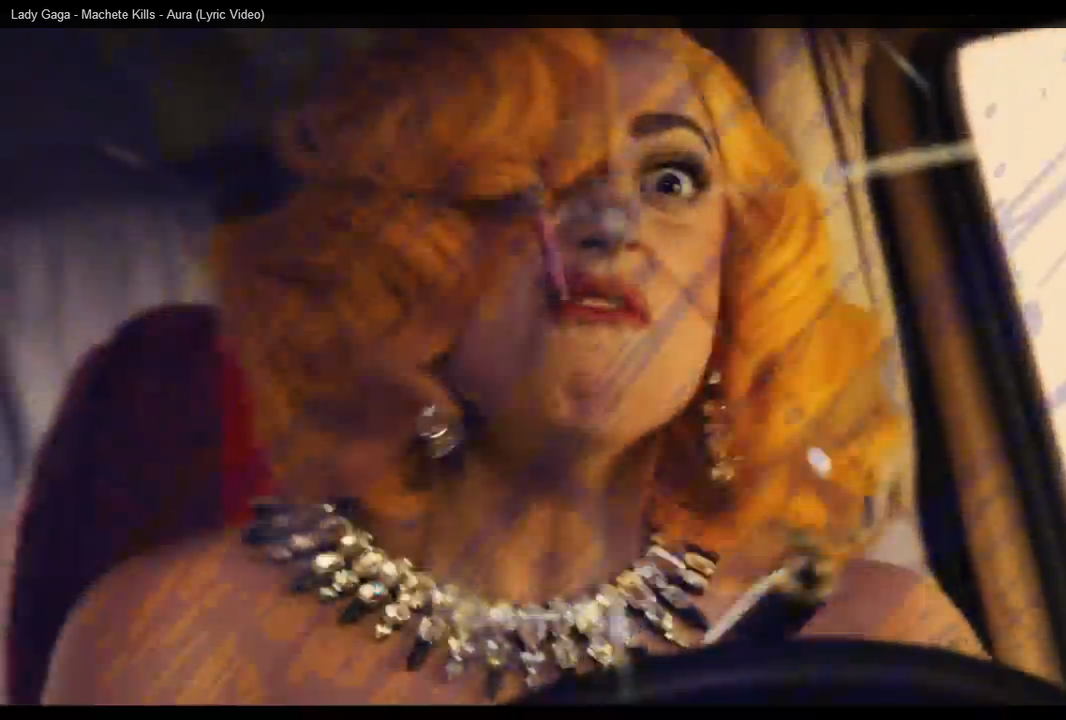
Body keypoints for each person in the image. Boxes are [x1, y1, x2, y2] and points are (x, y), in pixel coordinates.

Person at [40, 28, 982, 705]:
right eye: (533, 176)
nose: (611, 223)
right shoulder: (180, 636)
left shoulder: (875, 635)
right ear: (393, 260)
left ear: (744, 279)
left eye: (672, 180)